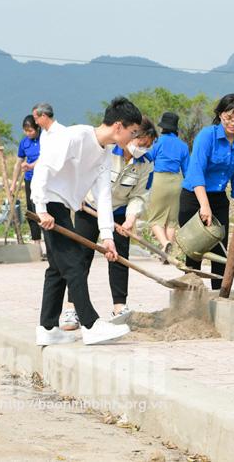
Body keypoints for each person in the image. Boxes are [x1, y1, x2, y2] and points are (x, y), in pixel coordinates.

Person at [31, 96, 142, 346]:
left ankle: (47, 327)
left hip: (59, 206)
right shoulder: (76, 136)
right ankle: (90, 324)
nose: (133, 139)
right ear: (118, 127)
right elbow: (43, 168)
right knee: (74, 265)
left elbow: (103, 197)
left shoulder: (104, 155)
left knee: (58, 269)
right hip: (48, 204)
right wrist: (40, 209)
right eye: (132, 132)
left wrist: (107, 238)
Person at [69, 116, 158, 327]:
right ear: (131, 135)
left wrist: (130, 218)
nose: (143, 148)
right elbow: (81, 172)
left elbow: (140, 195)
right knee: (81, 258)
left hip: (119, 212)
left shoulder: (146, 163)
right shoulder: (106, 150)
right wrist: (78, 194)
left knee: (119, 258)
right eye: (141, 143)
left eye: (148, 145)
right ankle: (72, 308)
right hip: (89, 207)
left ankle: (119, 307)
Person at [179, 94, 234, 289]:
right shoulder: (206, 136)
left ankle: (219, 297)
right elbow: (196, 172)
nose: (233, 123)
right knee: (196, 251)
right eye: (229, 117)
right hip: (195, 197)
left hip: (219, 199)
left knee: (220, 253)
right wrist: (204, 206)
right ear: (220, 115)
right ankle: (191, 297)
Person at [145, 112, 189, 258]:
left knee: (155, 218)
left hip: (159, 180)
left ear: (162, 127)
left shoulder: (158, 142)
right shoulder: (183, 146)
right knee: (171, 220)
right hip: (177, 182)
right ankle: (167, 255)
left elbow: (148, 158)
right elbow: (187, 170)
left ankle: (165, 244)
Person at [11, 115, 45, 258]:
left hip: (44, 179)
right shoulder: (24, 143)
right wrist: (13, 183)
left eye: (31, 130)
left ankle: (51, 244)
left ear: (37, 128)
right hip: (30, 180)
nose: (28, 133)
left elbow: (46, 157)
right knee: (32, 211)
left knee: (45, 211)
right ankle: (37, 245)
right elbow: (18, 163)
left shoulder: (45, 139)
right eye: (26, 131)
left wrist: (32, 165)